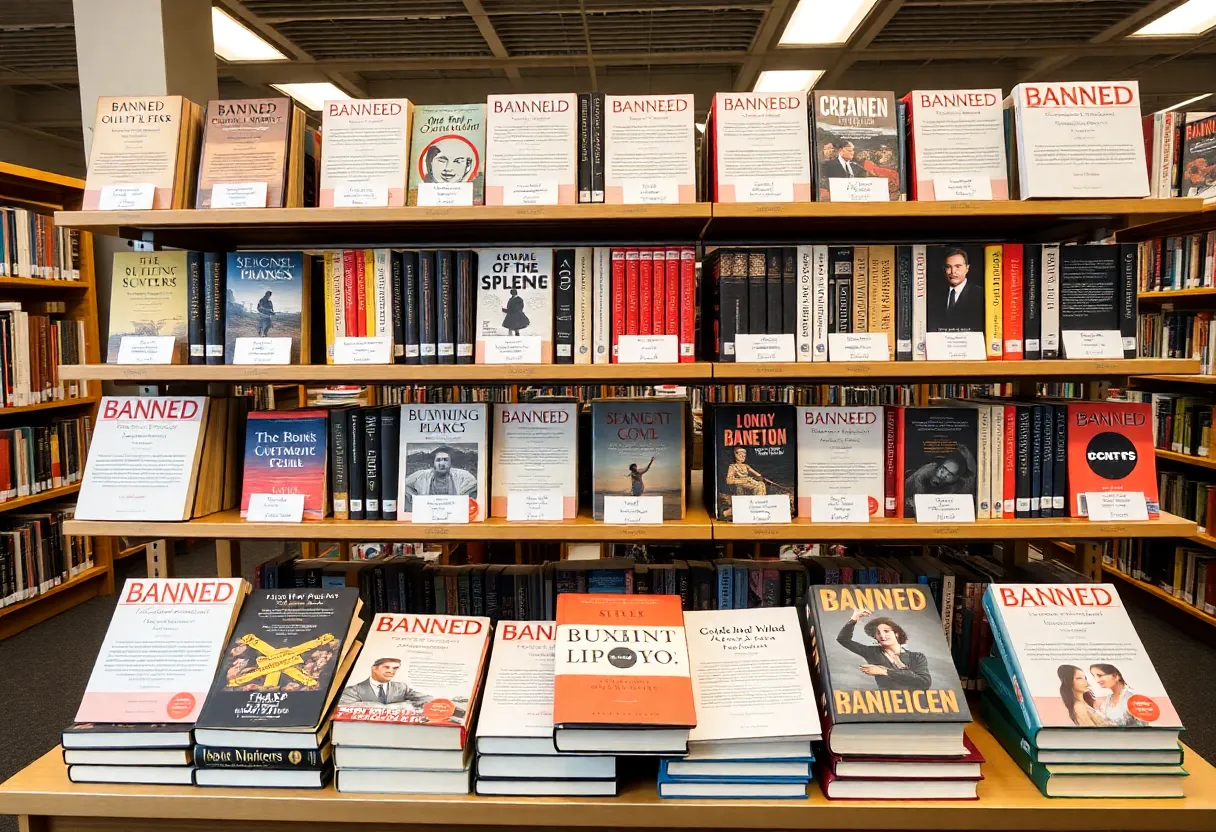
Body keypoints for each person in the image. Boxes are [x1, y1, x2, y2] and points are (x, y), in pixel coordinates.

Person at [836, 608, 931, 689]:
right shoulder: (871, 652)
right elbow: (843, 640)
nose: (882, 635)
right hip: (888, 705)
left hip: (918, 706)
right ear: (875, 637)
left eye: (886, 631)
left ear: (896, 634)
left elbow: (924, 682)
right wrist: (854, 618)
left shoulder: (917, 657)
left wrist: (884, 671)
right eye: (878, 633)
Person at [903, 446, 977, 514]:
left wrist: (968, 457)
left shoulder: (959, 487)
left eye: (950, 474)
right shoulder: (924, 474)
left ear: (955, 478)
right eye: (944, 469)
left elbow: (972, 475)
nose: (944, 474)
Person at [926, 247, 984, 332]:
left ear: (967, 268)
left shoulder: (980, 294)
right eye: (948, 267)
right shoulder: (934, 296)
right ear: (944, 269)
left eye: (958, 267)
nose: (953, 272)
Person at [340, 657, 433, 708]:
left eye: (395, 668)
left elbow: (428, 699)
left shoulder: (401, 687)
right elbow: (345, 707)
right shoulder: (353, 690)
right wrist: (402, 706)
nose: (391, 671)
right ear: (374, 668)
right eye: (386, 667)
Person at [402, 446, 478, 503]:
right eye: (438, 460)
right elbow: (404, 484)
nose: (442, 464)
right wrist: (415, 499)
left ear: (450, 462)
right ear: (433, 463)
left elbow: (474, 485)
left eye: (445, 460)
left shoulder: (462, 476)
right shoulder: (421, 476)